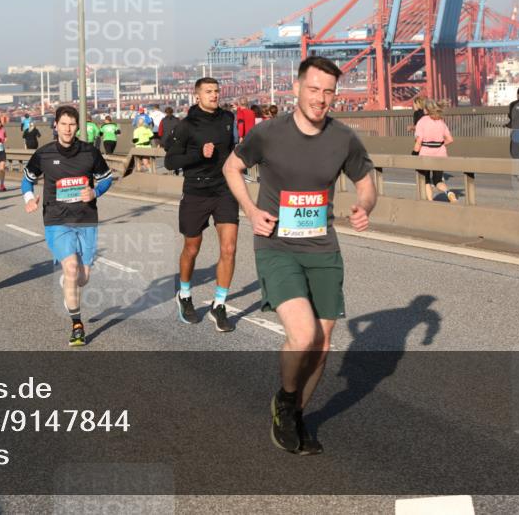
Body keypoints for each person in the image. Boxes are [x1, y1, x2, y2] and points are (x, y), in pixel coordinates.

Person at [222, 55, 377, 455]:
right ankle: (287, 401)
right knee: (303, 334)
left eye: (328, 91)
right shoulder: (269, 133)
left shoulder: (343, 138)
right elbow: (231, 167)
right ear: (296, 89)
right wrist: (252, 212)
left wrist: (365, 205)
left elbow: (365, 180)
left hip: (322, 246)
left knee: (322, 344)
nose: (320, 98)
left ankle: (294, 415)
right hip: (277, 245)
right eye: (313, 89)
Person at [22, 105, 113, 347]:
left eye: (72, 124)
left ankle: (68, 282)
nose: (68, 128)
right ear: (56, 126)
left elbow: (106, 178)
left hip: (86, 219)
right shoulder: (43, 154)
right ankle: (77, 325)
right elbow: (27, 179)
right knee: (71, 268)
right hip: (56, 219)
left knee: (82, 278)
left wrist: (95, 191)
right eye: (63, 124)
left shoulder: (90, 153)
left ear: (77, 127)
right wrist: (29, 198)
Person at [164, 77, 238, 332]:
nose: (214, 95)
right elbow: (170, 162)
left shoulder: (228, 119)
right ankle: (184, 294)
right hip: (196, 191)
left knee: (228, 249)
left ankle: (219, 305)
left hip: (224, 189)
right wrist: (198, 154)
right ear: (197, 96)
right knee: (192, 248)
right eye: (208, 92)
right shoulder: (186, 125)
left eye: (216, 91)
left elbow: (234, 149)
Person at [414, 101, 457, 203]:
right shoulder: (441, 121)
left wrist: (415, 153)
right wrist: (440, 145)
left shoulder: (422, 121)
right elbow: (450, 139)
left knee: (426, 180)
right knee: (438, 181)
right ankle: (449, 193)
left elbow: (419, 141)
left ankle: (430, 202)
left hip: (425, 154)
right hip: (440, 154)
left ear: (427, 110)